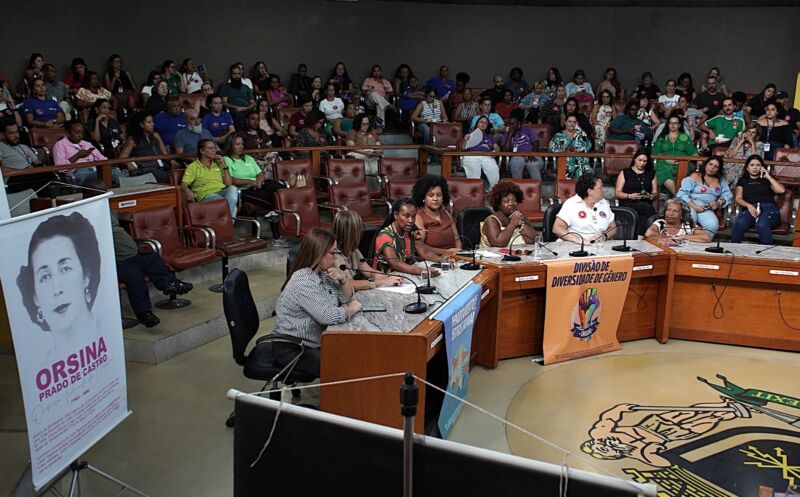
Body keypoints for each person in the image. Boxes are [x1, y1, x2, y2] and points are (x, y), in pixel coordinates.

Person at [83, 177, 193, 328]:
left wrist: (128, 215)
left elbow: (120, 216)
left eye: (105, 192)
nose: (105, 196)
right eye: (100, 193)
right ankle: (144, 314)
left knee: (152, 257)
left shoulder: (104, 208)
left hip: (133, 253)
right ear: (88, 196)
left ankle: (169, 284)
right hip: (116, 260)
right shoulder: (86, 216)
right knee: (135, 277)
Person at [272, 228, 361, 377]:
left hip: (311, 342)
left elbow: (344, 298)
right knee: (343, 367)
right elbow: (327, 316)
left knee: (354, 354)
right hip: (293, 347)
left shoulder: (321, 274)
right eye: (332, 253)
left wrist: (344, 280)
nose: (334, 258)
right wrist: (350, 310)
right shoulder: (303, 281)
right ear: (319, 253)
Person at [17, 212, 102, 341]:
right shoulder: (41, 361)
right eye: (45, 277)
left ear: (86, 276)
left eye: (65, 269)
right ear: (35, 297)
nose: (57, 290)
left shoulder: (111, 337)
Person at [224, 134, 286, 246]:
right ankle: (277, 237)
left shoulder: (248, 158)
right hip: (243, 190)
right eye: (237, 144)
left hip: (256, 185)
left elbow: (260, 173)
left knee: (279, 187)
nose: (241, 146)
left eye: (242, 144)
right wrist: (249, 181)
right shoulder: (227, 160)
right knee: (273, 201)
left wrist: (259, 181)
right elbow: (231, 180)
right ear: (230, 146)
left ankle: (282, 216)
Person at [331, 211, 403, 290]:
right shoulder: (334, 254)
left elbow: (368, 271)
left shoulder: (352, 249)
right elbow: (350, 284)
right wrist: (382, 282)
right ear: (351, 233)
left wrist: (387, 277)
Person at [372, 198, 442, 275]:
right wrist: (421, 271)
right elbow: (394, 263)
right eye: (406, 216)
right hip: (387, 278)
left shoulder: (412, 230)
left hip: (405, 272)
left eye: (413, 216)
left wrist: (441, 260)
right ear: (396, 215)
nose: (411, 220)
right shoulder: (385, 235)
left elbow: (424, 251)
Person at [731, 155, 785, 244]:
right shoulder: (742, 180)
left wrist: (768, 176)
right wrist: (748, 205)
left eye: (758, 165)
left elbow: (781, 190)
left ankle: (767, 254)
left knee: (762, 224)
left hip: (769, 209)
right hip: (751, 208)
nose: (755, 167)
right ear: (747, 168)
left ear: (762, 167)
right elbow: (738, 198)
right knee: (740, 223)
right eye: (752, 165)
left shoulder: (767, 179)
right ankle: (733, 252)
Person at [676, 155, 733, 238]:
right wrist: (695, 206)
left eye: (716, 166)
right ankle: (685, 242)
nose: (712, 167)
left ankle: (701, 244)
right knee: (691, 220)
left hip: (706, 207)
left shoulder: (721, 180)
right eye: (710, 164)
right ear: (706, 164)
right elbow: (682, 194)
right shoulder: (695, 176)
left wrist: (718, 203)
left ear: (718, 169)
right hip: (690, 205)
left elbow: (728, 195)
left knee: (713, 225)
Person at [553, 173, 617, 243]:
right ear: (590, 191)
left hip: (599, 246)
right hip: (575, 246)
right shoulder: (572, 204)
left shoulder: (603, 203)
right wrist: (579, 240)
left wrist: (605, 236)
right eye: (600, 188)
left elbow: (613, 227)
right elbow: (557, 228)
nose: (604, 190)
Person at [181, 139, 238, 217]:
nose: (214, 150)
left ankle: (224, 220)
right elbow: (183, 185)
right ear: (202, 150)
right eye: (210, 148)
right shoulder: (193, 167)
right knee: (233, 207)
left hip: (221, 191)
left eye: (214, 148)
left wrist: (224, 165)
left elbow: (229, 183)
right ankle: (227, 223)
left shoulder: (218, 164)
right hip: (206, 195)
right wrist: (187, 191)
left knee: (233, 188)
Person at [53, 121, 118, 185]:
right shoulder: (60, 145)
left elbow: (102, 158)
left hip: (94, 169)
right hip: (77, 173)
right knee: (93, 177)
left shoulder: (86, 143)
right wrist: (77, 156)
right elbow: (60, 168)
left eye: (82, 133)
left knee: (116, 172)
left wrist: (109, 165)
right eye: (77, 133)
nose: (81, 136)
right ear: (68, 133)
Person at [412, 174, 462, 256]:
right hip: (432, 259)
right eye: (431, 195)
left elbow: (457, 239)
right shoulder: (419, 217)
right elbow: (419, 246)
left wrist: (458, 253)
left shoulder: (446, 213)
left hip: (454, 258)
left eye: (439, 195)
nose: (435, 199)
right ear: (423, 198)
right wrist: (445, 252)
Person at [119, 112, 174, 183]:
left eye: (152, 122)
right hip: (145, 169)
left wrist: (171, 161)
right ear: (141, 124)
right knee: (166, 176)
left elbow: (165, 154)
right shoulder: (132, 139)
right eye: (149, 122)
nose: (153, 124)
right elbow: (121, 158)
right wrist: (128, 163)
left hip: (162, 167)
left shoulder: (156, 135)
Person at [480, 180, 538, 248]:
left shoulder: (519, 216)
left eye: (514, 201)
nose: (511, 204)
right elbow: (499, 244)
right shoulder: (491, 220)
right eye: (506, 201)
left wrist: (522, 223)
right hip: (492, 257)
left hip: (517, 255)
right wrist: (513, 224)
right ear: (498, 204)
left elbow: (532, 241)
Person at [652, 115, 699, 194]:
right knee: (663, 170)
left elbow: (692, 152)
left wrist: (698, 159)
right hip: (664, 162)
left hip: (682, 163)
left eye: (675, 123)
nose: (673, 125)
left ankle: (678, 196)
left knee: (677, 169)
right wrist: (667, 159)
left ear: (679, 125)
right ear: (668, 125)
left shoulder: (685, 137)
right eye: (670, 123)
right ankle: (679, 196)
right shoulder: (662, 137)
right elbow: (655, 152)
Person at [615, 151, 657, 236]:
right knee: (647, 208)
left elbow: (655, 193)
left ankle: (638, 241)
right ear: (634, 159)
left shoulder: (651, 174)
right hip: (628, 201)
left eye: (644, 161)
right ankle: (657, 223)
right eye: (640, 160)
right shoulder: (625, 172)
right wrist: (629, 196)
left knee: (643, 217)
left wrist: (651, 196)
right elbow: (617, 193)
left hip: (645, 201)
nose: (642, 163)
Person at [499, 110, 544, 180]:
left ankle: (537, 190)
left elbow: (536, 143)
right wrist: (510, 134)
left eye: (513, 124)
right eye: (509, 124)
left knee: (532, 164)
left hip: (533, 155)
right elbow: (505, 150)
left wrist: (531, 155)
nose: (511, 126)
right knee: (517, 162)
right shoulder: (506, 135)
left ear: (519, 123)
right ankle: (518, 189)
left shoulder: (527, 130)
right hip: (516, 156)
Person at [644, 198, 711, 242]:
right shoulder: (660, 222)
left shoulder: (688, 224)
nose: (670, 213)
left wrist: (684, 237)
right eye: (668, 210)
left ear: (682, 215)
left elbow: (706, 237)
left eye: (675, 211)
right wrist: (671, 238)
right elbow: (649, 234)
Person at [548, 113, 592, 179]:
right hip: (564, 162)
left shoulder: (582, 134)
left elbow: (588, 146)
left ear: (576, 123)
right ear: (565, 122)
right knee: (566, 169)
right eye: (570, 121)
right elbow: (550, 149)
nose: (572, 123)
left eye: (574, 122)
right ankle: (564, 188)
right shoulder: (558, 136)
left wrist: (579, 150)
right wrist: (560, 151)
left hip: (581, 162)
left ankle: (584, 189)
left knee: (588, 170)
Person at [462, 116, 500, 188]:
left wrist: (495, 151)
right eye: (481, 122)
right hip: (472, 155)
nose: (483, 124)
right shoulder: (470, 134)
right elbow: (463, 148)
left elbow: (497, 148)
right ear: (477, 124)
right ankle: (474, 192)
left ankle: (493, 192)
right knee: (474, 172)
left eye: (485, 123)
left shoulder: (490, 136)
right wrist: (465, 140)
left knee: (494, 169)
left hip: (487, 155)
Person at [724, 122, 764, 186]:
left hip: (747, 167)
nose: (750, 134)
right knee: (732, 170)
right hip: (731, 165)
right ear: (745, 132)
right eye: (748, 131)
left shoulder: (760, 144)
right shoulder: (736, 140)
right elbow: (729, 156)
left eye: (753, 132)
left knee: (741, 170)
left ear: (757, 135)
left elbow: (755, 160)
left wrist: (753, 144)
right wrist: (741, 142)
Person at [221, 64, 255, 131]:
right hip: (234, 110)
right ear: (231, 74)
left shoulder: (246, 87)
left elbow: (253, 103)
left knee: (255, 114)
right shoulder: (226, 87)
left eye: (238, 74)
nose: (237, 76)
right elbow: (224, 102)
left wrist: (246, 108)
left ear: (241, 74)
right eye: (234, 74)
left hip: (247, 109)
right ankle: (241, 134)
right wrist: (236, 107)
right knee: (238, 114)